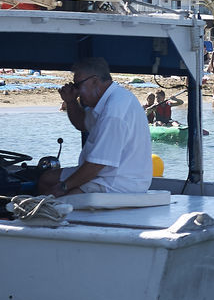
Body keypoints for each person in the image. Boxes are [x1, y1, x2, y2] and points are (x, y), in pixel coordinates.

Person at [38, 57, 152, 196]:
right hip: (108, 175)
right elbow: (81, 123)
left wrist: (63, 187)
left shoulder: (113, 112)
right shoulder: (109, 100)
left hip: (119, 183)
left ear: (95, 81)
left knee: (66, 194)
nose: (77, 91)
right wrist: (71, 101)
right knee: (46, 179)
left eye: (78, 85)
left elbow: (96, 165)